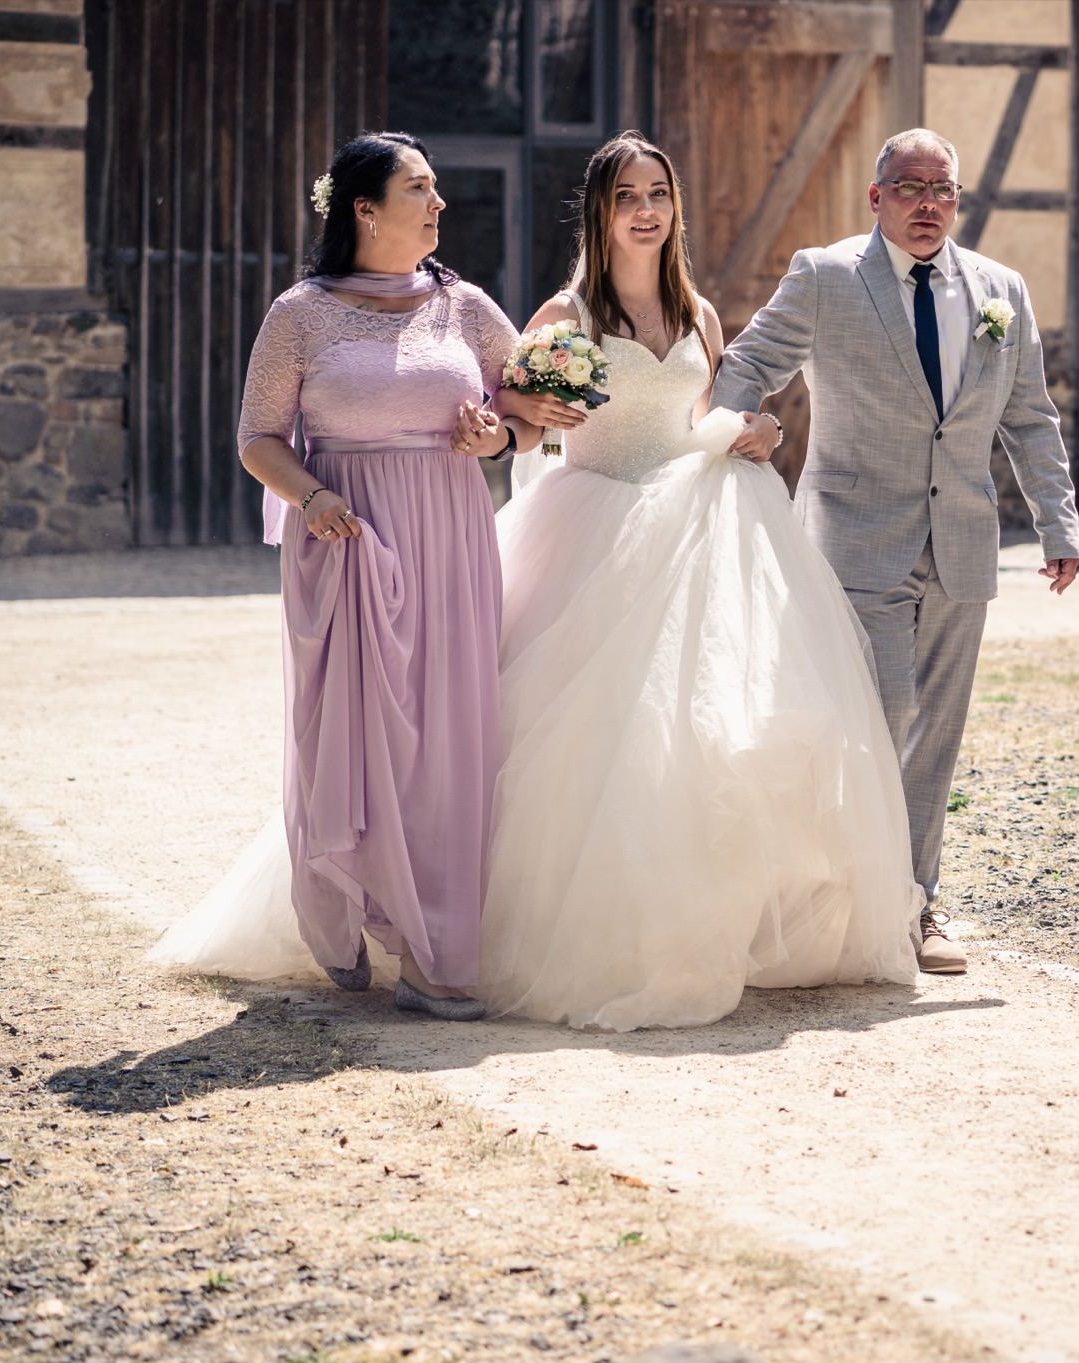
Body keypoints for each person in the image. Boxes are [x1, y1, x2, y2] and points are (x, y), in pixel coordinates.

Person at [481, 132, 920, 1031]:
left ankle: (721, 915)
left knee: (711, 729)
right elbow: (520, 418)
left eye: (659, 194)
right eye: (627, 196)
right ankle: (588, 925)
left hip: (695, 526)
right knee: (583, 737)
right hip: (593, 526)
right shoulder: (563, 318)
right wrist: (529, 412)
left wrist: (761, 433)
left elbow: (716, 414)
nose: (647, 210)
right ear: (600, 212)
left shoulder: (699, 315)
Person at [149, 132, 528, 1021]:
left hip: (449, 534)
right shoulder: (301, 314)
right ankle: (354, 904)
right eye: (420, 189)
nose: (440, 205)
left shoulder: (465, 305)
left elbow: (530, 405)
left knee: (447, 735)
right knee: (351, 737)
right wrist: (312, 495)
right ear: (365, 208)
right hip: (345, 535)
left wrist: (499, 437)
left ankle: (437, 954)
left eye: (437, 189)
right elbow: (257, 438)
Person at [710, 127, 1079, 974]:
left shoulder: (1001, 290)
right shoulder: (826, 275)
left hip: (961, 541)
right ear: (875, 198)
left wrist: (1057, 525)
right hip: (854, 535)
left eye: (942, 189)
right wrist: (724, 441)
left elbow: (1029, 416)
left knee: (934, 737)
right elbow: (749, 362)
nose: (927, 203)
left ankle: (914, 906)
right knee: (879, 720)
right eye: (909, 187)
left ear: (958, 201)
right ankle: (832, 894)